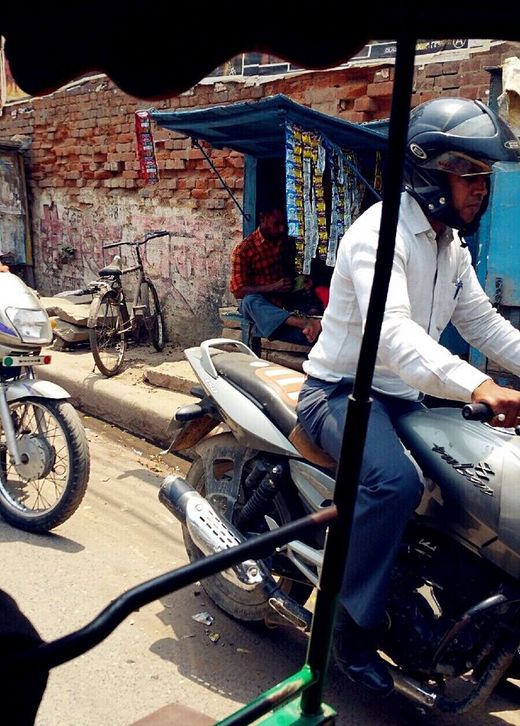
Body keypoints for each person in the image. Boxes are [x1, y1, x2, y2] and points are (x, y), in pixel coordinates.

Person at [295, 97, 520, 696]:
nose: (481, 190)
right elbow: (392, 337)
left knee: (468, 477)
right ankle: (349, 623)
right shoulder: (380, 234)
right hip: (337, 393)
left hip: (399, 398)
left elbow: (484, 325)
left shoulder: (450, 245)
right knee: (394, 484)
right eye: (469, 174)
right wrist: (479, 384)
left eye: (484, 177)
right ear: (430, 169)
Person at [229, 203, 323, 347]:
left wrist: (302, 282)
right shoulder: (244, 250)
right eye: (276, 224)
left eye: (283, 224)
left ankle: (308, 327)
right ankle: (302, 324)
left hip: (285, 302)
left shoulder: (286, 242)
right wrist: (272, 287)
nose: (281, 229)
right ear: (263, 219)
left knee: (310, 295)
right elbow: (238, 291)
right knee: (249, 302)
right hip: (264, 304)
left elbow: (295, 273)